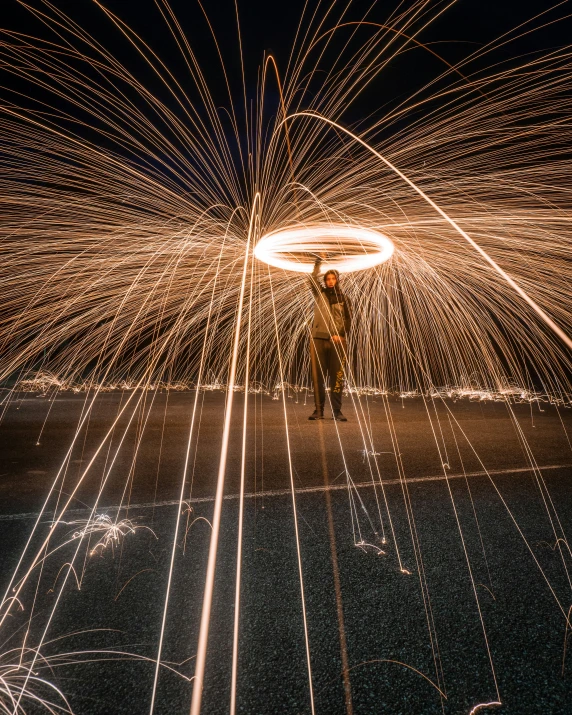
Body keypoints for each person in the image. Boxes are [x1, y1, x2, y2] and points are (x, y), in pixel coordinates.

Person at [308, 257, 352, 421]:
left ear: (337, 280)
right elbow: (312, 280)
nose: (331, 281)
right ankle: (318, 411)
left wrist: (340, 334)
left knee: (337, 377)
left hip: (338, 342)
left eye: (333, 278)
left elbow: (349, 320)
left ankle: (337, 411)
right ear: (325, 281)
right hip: (318, 339)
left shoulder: (345, 299)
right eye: (328, 279)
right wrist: (318, 265)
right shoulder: (320, 294)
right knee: (317, 377)